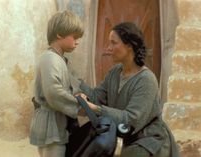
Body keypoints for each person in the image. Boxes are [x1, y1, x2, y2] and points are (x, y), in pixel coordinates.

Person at [78, 22, 180, 157]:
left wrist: (97, 109)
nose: (108, 48)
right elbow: (97, 97)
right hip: (129, 140)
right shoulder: (115, 73)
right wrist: (72, 80)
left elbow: (131, 120)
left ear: (129, 46)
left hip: (149, 142)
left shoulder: (146, 80)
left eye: (114, 43)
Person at [29, 10, 84, 157]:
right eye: (75, 37)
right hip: (50, 126)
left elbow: (71, 87)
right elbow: (54, 92)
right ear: (60, 34)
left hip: (56, 124)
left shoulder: (60, 60)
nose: (77, 41)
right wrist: (81, 106)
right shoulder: (50, 59)